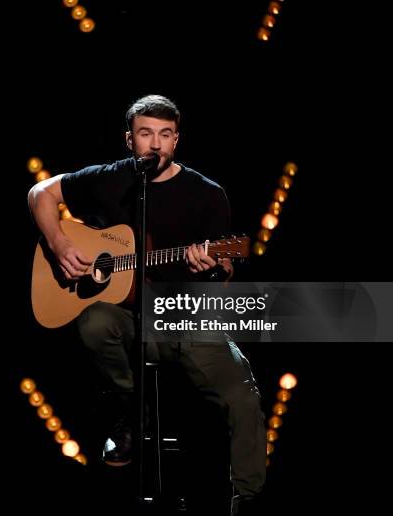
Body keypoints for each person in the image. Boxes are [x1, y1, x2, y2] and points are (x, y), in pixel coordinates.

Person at [28, 95, 266, 513]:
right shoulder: (109, 179)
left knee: (243, 397)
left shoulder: (206, 194)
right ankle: (130, 409)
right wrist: (60, 243)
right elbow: (40, 192)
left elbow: (226, 272)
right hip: (129, 321)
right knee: (96, 320)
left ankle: (248, 497)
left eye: (165, 135)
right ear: (129, 139)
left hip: (184, 320)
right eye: (145, 134)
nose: (155, 145)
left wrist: (210, 269)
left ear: (177, 140)